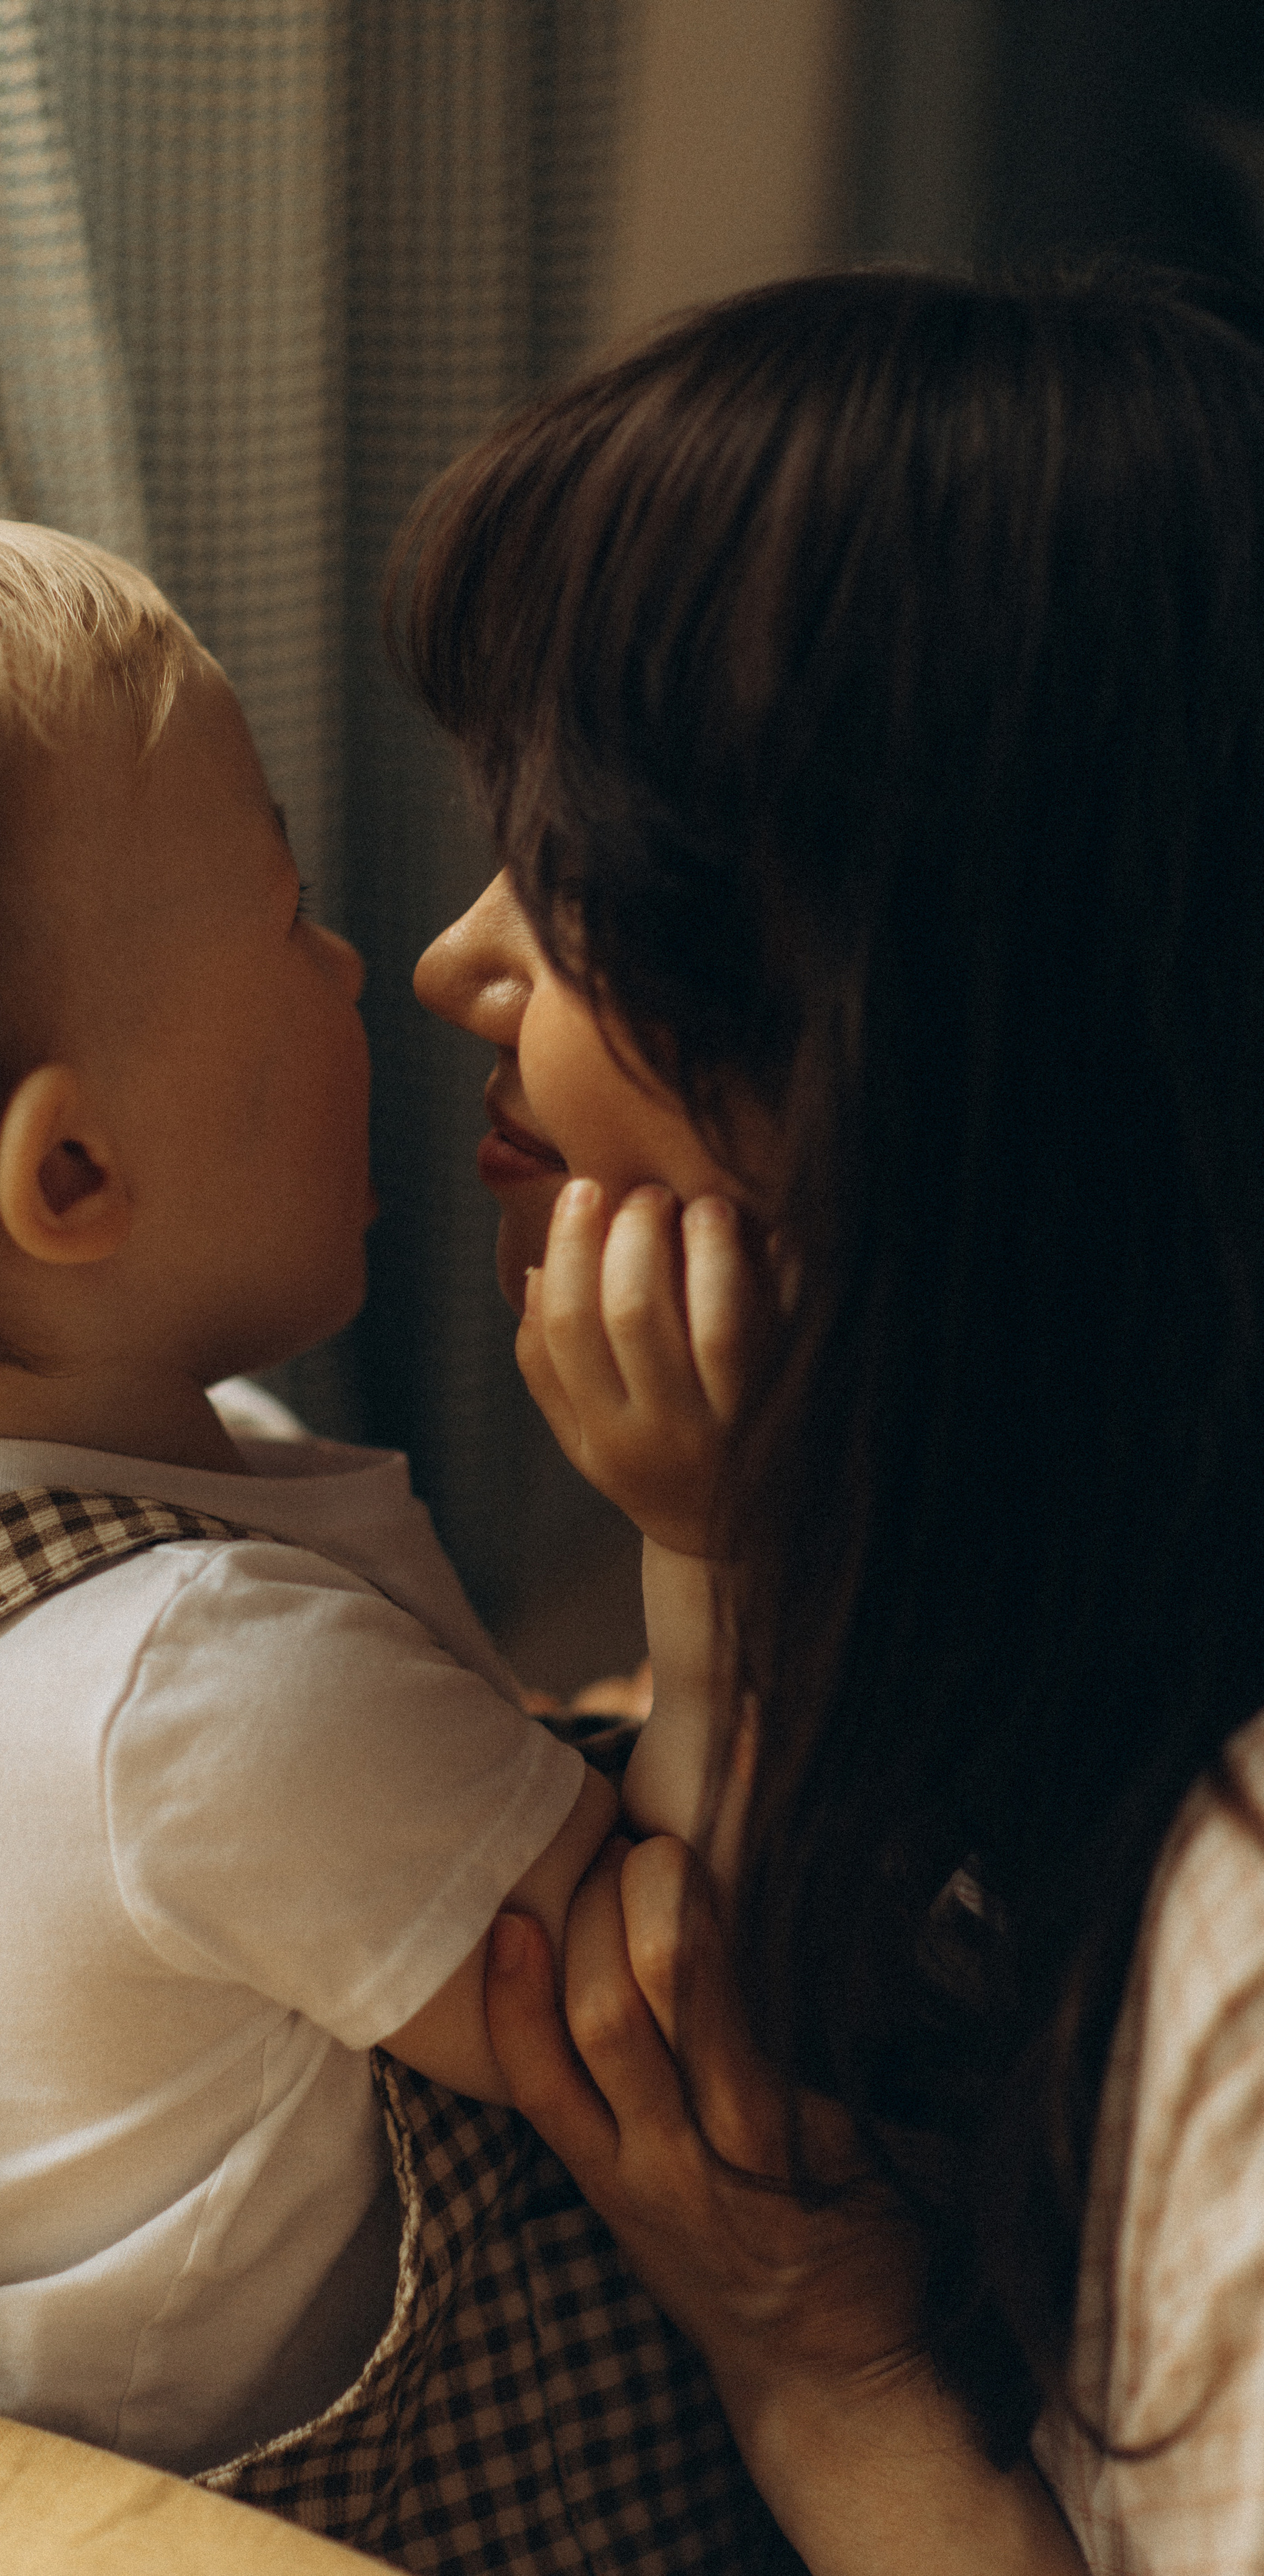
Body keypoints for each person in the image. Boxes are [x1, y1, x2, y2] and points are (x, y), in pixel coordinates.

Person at [0, 516, 766, 2575]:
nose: (368, 965)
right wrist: (707, 1547)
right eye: (286, 914)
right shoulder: (205, 1685)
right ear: (75, 1170)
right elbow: (671, 2038)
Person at [403, 265, 1264, 2575]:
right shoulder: (1063, 1581)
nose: (451, 963)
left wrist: (821, 2369)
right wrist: (728, 1559)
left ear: (879, 1031)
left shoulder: (1241, 1929)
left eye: (564, 877)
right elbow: (803, 1982)